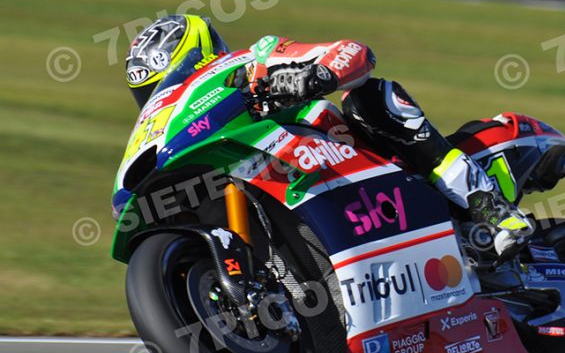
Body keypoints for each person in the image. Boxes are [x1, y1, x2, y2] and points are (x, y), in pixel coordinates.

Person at [125, 14, 532, 258]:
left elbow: (352, 51)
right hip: (296, 187)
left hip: (354, 159)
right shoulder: (171, 122)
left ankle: (490, 210)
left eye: (167, 79)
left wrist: (314, 75)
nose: (159, 97)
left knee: (371, 99)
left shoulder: (253, 59)